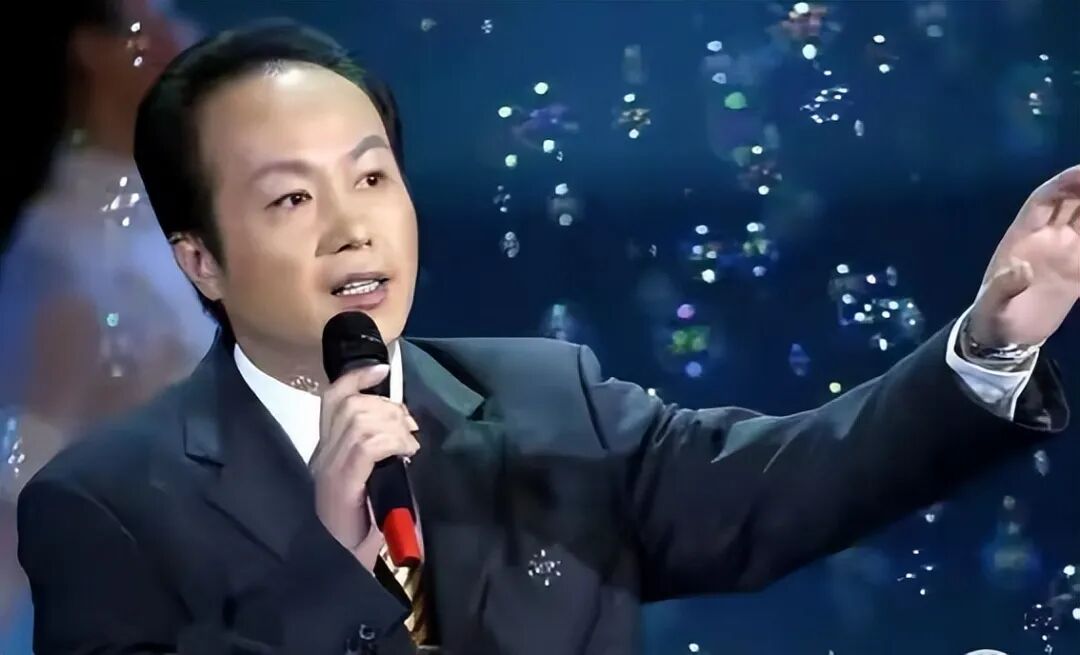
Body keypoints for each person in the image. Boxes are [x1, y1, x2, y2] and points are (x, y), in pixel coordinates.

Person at [16, 20, 1077, 655]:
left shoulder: (546, 401)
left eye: (372, 176)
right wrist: (330, 562)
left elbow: (789, 482)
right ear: (199, 259)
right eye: (292, 199)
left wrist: (989, 342)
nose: (353, 226)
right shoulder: (100, 508)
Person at [0, 1, 212, 651]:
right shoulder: (63, 250)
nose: (184, 39)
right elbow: (20, 473)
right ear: (90, 49)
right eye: (150, 25)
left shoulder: (170, 219)